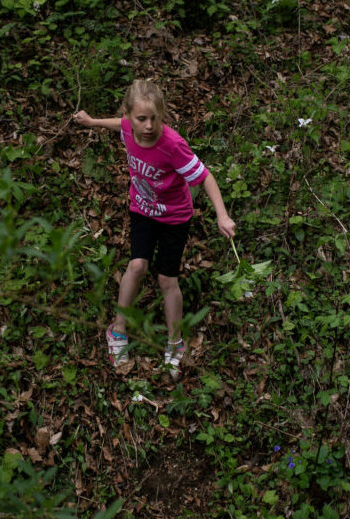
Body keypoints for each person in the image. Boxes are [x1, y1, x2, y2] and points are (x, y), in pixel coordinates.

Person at [73, 79, 236, 376]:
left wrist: (222, 216)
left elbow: (205, 178)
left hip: (175, 217)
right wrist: (91, 121)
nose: (148, 126)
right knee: (136, 266)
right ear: (130, 116)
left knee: (166, 280)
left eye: (154, 118)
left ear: (162, 115)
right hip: (143, 212)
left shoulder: (172, 145)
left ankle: (175, 343)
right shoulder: (127, 128)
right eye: (141, 119)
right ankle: (117, 331)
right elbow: (117, 124)